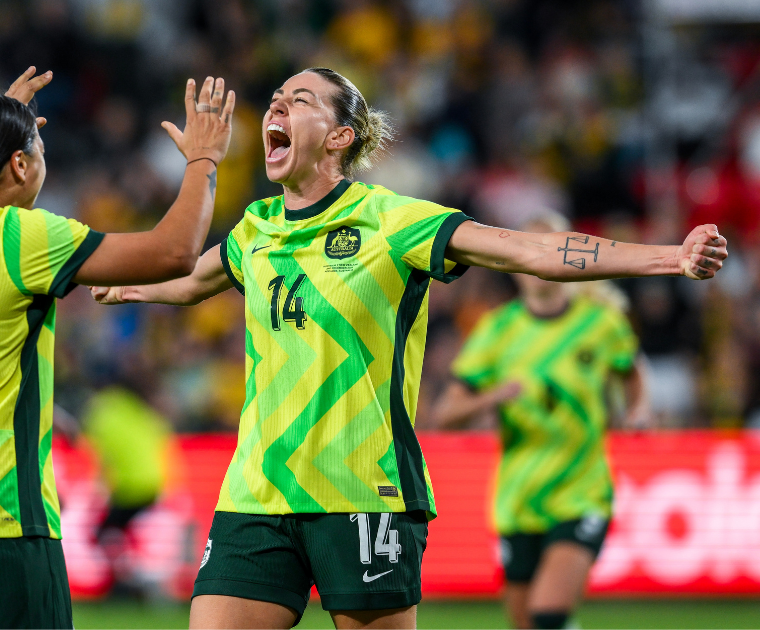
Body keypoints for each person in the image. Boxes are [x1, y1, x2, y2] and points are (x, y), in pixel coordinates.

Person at [91, 67, 727, 630]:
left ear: (341, 136)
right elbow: (190, 278)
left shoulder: (394, 222)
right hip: (256, 492)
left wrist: (670, 257)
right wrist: (119, 278)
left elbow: (531, 251)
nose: (278, 108)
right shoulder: (253, 229)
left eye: (301, 100)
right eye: (278, 99)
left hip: (363, 492)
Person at [0, 67, 234, 628]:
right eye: (36, 147)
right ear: (19, 164)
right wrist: (203, 159)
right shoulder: (19, 237)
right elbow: (175, 254)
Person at [431, 213, 651, 630]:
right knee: (526, 624)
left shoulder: (601, 322)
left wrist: (638, 409)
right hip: (518, 497)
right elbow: (445, 416)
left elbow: (633, 370)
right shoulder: (497, 331)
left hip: (580, 490)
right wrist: (493, 396)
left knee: (548, 614)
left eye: (551, 251)